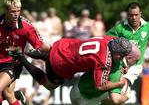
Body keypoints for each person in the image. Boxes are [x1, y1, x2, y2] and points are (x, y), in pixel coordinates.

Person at [8, 36, 136, 92]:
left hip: (63, 45)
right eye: (122, 56)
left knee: (52, 55)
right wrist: (119, 83)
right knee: (49, 85)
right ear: (117, 53)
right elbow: (100, 86)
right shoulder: (104, 61)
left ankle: (39, 55)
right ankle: (21, 57)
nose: (122, 58)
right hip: (60, 64)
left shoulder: (110, 39)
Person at [106, 2, 149, 103]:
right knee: (114, 99)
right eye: (131, 15)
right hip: (119, 66)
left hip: (135, 67)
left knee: (117, 97)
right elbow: (106, 39)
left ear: (141, 13)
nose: (134, 18)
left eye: (136, 15)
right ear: (127, 15)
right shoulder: (120, 28)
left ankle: (126, 94)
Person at [0, 0, 49, 105]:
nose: (16, 14)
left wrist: (55, 51)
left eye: (18, 11)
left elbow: (41, 46)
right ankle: (18, 96)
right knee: (8, 95)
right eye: (13, 11)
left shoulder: (26, 26)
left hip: (12, 64)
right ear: (6, 11)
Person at [70, 44, 141, 105]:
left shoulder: (109, 50)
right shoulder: (117, 72)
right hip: (87, 99)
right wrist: (127, 97)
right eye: (136, 61)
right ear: (129, 59)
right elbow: (115, 100)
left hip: (76, 88)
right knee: (123, 92)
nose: (136, 63)